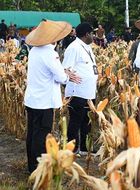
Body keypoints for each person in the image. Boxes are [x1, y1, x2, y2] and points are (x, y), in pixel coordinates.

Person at [24, 19, 80, 173]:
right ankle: (38, 169)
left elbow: (49, 72)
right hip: (44, 102)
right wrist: (68, 76)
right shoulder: (50, 53)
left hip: (32, 100)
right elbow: (61, 78)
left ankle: (31, 166)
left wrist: (63, 72)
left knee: (32, 133)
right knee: (41, 136)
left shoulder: (34, 50)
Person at [62, 23, 98, 154]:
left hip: (88, 92)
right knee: (75, 121)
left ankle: (84, 147)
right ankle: (72, 149)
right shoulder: (74, 48)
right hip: (77, 92)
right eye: (92, 33)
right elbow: (66, 68)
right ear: (87, 34)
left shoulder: (87, 47)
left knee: (86, 121)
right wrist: (72, 78)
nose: (94, 36)